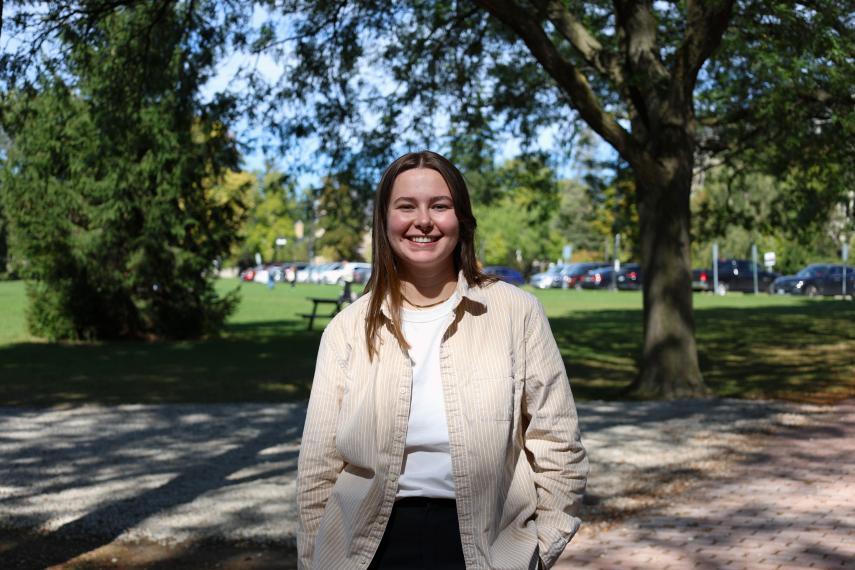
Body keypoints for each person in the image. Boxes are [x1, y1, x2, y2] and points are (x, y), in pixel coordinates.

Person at [297, 151, 588, 570]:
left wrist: (541, 549)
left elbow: (558, 441)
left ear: (461, 219)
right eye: (406, 206)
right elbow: (317, 471)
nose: (424, 221)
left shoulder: (515, 313)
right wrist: (315, 560)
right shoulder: (347, 329)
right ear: (384, 221)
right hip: (369, 546)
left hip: (487, 546)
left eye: (439, 205)